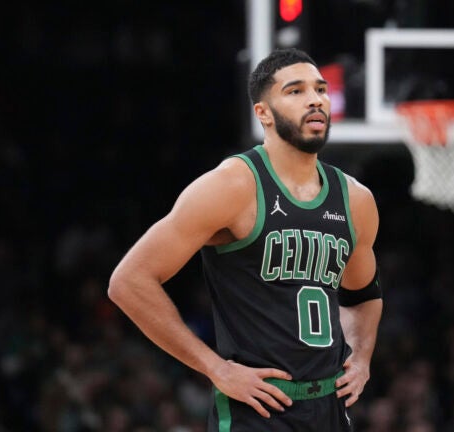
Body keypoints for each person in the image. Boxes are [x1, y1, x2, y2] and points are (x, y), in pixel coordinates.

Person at [108, 47, 383, 431]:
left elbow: (364, 294)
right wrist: (215, 368)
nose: (315, 99)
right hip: (257, 410)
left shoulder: (355, 199)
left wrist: (362, 359)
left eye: (320, 89)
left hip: (328, 407)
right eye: (296, 91)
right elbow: (128, 281)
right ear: (263, 113)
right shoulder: (232, 185)